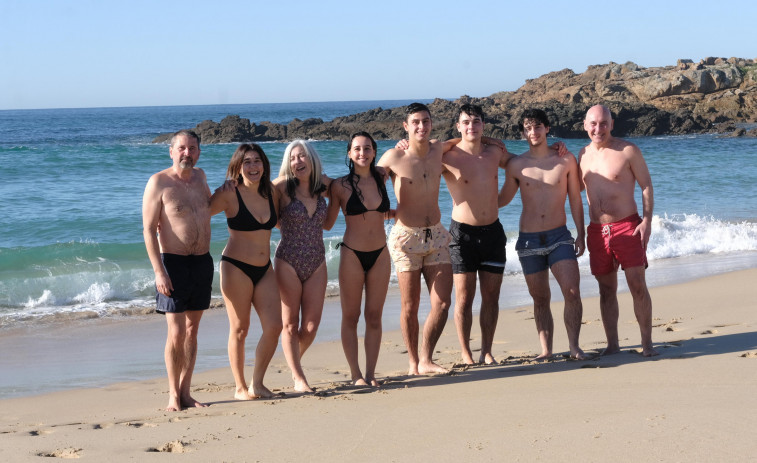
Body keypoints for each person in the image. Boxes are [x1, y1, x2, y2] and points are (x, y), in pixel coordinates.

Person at [499, 109, 587, 360]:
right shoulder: (517, 164)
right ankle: (546, 350)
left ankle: (574, 347)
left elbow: (575, 201)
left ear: (547, 128)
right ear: (522, 133)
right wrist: (472, 203)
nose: (533, 132)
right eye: (527, 128)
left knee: (572, 291)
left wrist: (581, 234)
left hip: (560, 236)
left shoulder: (565, 160)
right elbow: (503, 199)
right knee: (540, 298)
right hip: (529, 240)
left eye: (537, 126)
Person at [377, 103, 453, 375]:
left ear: (431, 124)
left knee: (443, 303)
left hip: (437, 235)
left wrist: (492, 141)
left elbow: (468, 140)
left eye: (426, 121)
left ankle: (426, 358)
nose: (421, 126)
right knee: (410, 306)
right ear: (405, 126)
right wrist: (385, 213)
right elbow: (368, 186)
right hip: (406, 238)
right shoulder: (393, 157)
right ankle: (412, 363)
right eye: (416, 122)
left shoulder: (438, 149)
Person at [578, 104, 658, 357]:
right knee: (605, 289)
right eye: (593, 123)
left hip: (627, 227)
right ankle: (613, 345)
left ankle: (647, 344)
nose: (598, 128)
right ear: (585, 125)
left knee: (637, 285)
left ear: (611, 124)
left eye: (603, 123)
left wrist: (646, 221)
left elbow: (646, 185)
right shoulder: (581, 155)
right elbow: (569, 188)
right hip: (597, 231)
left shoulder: (627, 150)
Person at [142, 129, 212, 411]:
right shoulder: (158, 182)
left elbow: (208, 208)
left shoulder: (201, 178)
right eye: (182, 148)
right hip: (173, 263)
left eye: (192, 148)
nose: (187, 153)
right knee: (176, 331)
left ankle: (186, 392)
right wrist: (159, 271)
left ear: (198, 151)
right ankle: (172, 394)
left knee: (193, 330)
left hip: (202, 262)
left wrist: (233, 191)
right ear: (171, 151)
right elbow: (148, 230)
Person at [442, 104, 515, 365]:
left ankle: (486, 350)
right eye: (466, 122)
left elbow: (520, 165)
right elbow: (418, 160)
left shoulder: (494, 152)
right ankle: (465, 352)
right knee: (463, 297)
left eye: (476, 122)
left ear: (484, 125)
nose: (471, 126)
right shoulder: (447, 156)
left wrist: (553, 151)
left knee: (491, 297)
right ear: (458, 126)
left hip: (493, 232)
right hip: (462, 235)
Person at [210, 144, 283, 400]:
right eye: (247, 162)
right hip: (235, 267)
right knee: (240, 328)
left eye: (257, 161)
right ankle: (240, 387)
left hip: (265, 268)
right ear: (238, 167)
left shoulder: (272, 191)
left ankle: (258, 383)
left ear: (264, 165)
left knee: (275, 326)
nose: (253, 167)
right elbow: (199, 214)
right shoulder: (229, 194)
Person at [325, 132, 392, 386]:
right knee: (351, 316)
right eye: (357, 149)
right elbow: (328, 224)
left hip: (381, 254)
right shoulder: (339, 185)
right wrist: (308, 195)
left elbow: (408, 160)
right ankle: (356, 375)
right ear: (350, 154)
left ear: (374, 152)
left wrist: (403, 144)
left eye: (367, 148)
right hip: (352, 254)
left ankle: (371, 373)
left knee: (374, 316)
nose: (362, 153)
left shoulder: (383, 176)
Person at [274, 140, 332, 392]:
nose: (298, 162)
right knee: (289, 324)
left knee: (310, 326)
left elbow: (352, 184)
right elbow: (253, 190)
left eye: (302, 156)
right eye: (293, 158)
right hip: (288, 259)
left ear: (312, 159)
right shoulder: (283, 187)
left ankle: (291, 360)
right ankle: (299, 378)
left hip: (317, 261)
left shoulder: (323, 188)